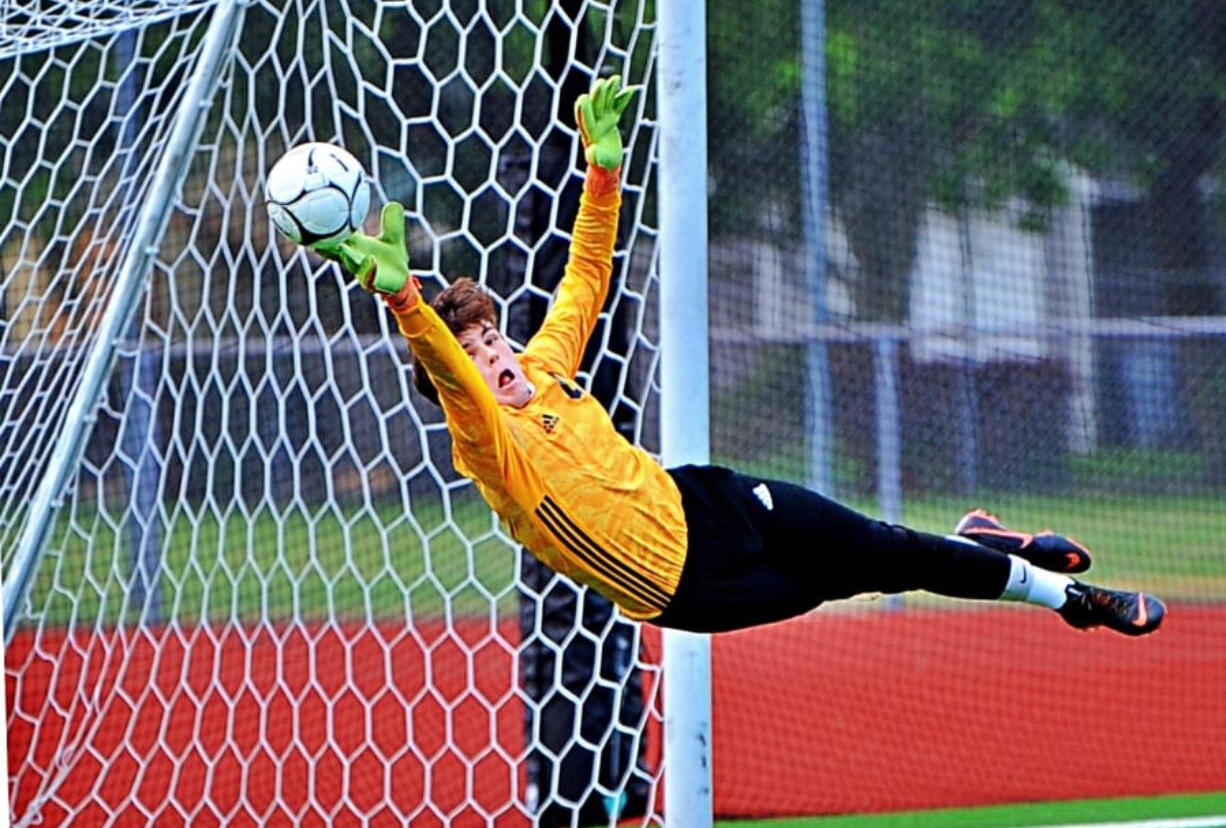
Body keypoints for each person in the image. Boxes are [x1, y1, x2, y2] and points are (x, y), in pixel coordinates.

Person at [314, 76, 1165, 638]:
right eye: (473, 353)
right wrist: (407, 305)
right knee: (853, 575)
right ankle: (971, 544)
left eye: (491, 336)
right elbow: (457, 381)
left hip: (707, 499)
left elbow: (584, 275)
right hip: (687, 591)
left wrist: (602, 171)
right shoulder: (487, 450)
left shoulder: (546, 369)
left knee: (873, 544)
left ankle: (1073, 601)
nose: (493, 355)